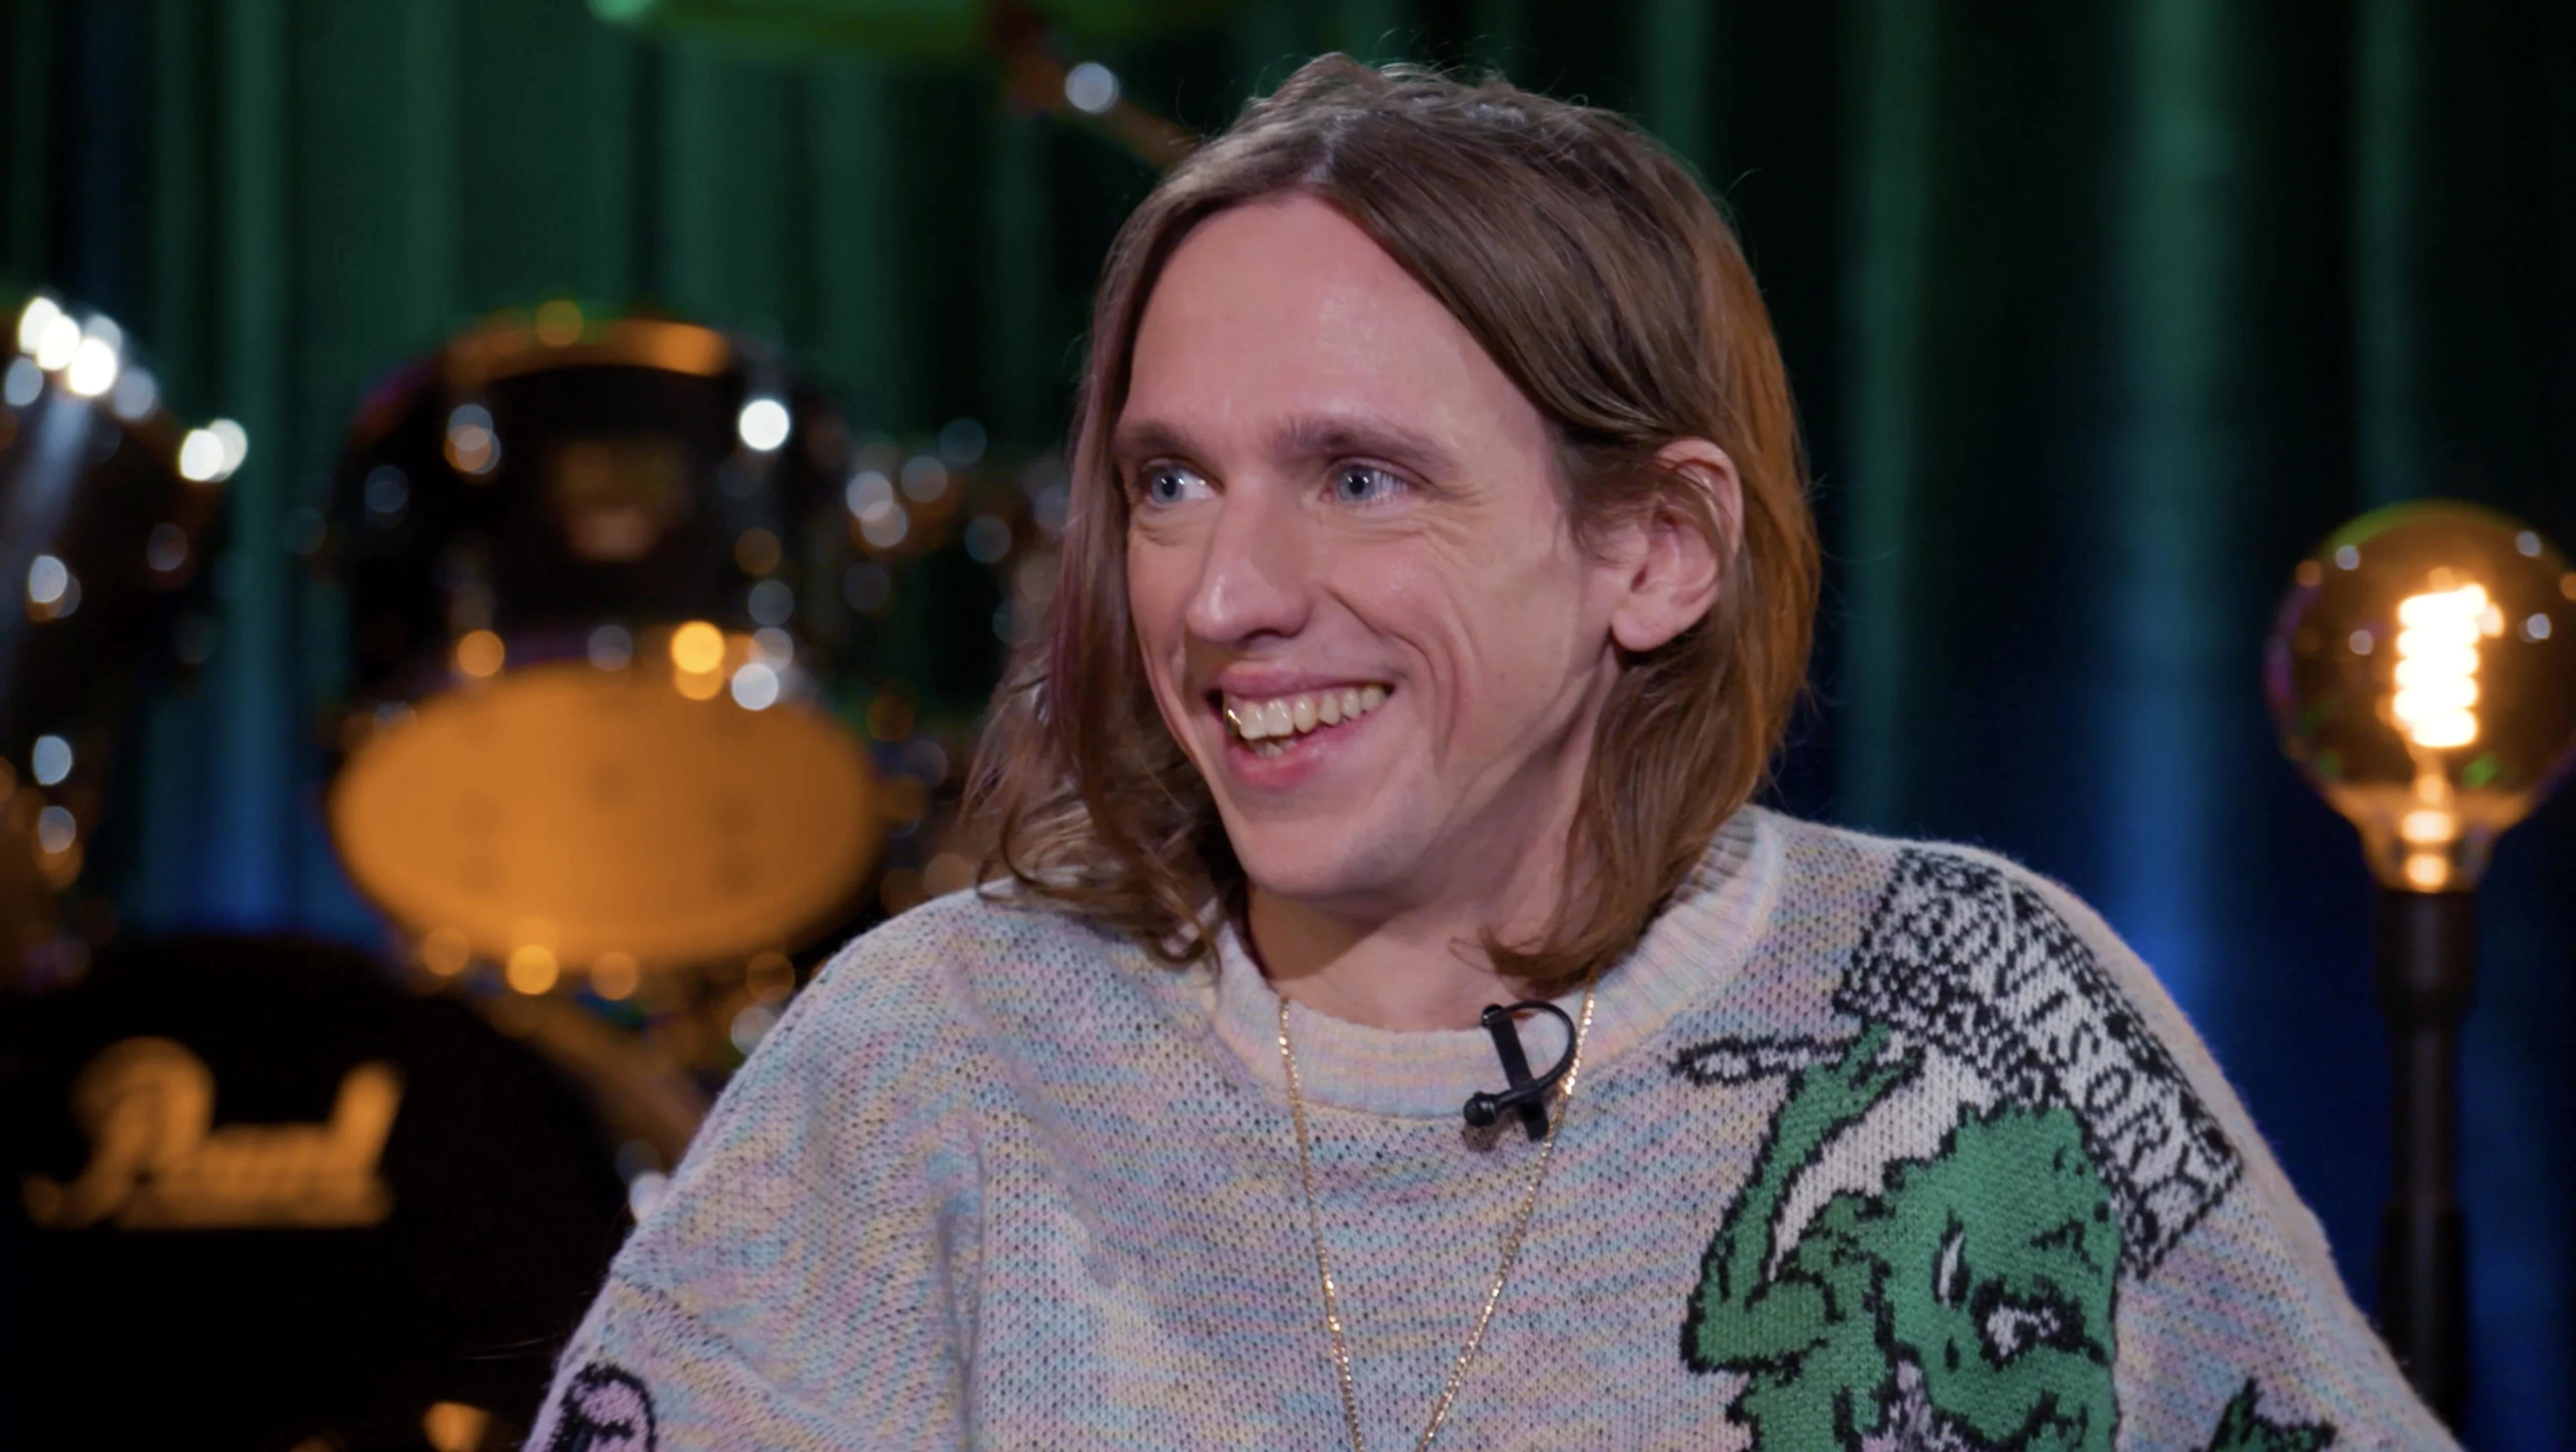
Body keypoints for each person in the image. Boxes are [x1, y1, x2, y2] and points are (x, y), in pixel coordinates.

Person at [531, 56, 2451, 1451]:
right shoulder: (939, 1061)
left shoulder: (1969, 1013)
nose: (1224, 595)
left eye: (1359, 478)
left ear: (1656, 548)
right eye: (1169, 482)